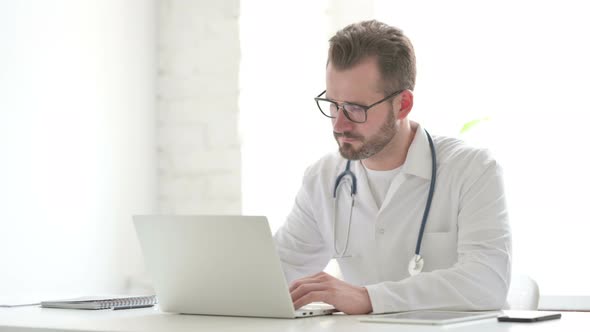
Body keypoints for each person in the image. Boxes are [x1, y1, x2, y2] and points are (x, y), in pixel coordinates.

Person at [273, 20, 511, 315]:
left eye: (356, 109)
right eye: (333, 104)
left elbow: (487, 283)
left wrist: (369, 298)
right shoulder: (324, 177)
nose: (339, 123)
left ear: (403, 104)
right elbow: (276, 272)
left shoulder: (472, 169)